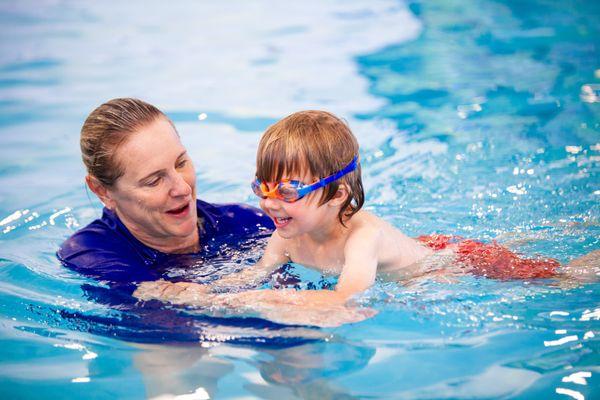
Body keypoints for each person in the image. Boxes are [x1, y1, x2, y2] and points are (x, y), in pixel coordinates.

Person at [135, 110, 599, 317]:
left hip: (458, 261)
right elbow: (249, 276)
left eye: (289, 190)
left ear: (337, 194)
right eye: (264, 186)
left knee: (560, 275)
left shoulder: (364, 238)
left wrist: (228, 306)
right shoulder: (286, 233)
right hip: (427, 248)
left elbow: (347, 299)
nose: (271, 203)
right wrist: (192, 292)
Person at [57, 98, 274, 295]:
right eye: (154, 180)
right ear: (102, 191)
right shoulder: (90, 254)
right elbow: (172, 316)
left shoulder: (246, 224)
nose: (183, 189)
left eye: (181, 163)